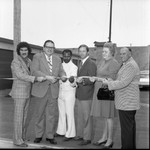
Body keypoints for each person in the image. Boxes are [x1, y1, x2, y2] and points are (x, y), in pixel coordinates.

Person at [102, 47, 140, 149]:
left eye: (124, 53)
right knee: (129, 130)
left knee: (127, 131)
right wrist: (111, 80)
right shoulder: (126, 64)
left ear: (130, 54)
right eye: (121, 54)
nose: (122, 55)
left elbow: (123, 83)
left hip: (127, 103)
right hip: (126, 102)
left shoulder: (130, 65)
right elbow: (122, 79)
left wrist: (108, 83)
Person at [31, 40, 66, 145]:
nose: (50, 49)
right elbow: (34, 71)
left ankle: (50, 136)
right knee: (39, 114)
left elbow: (61, 71)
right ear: (43, 48)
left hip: (53, 90)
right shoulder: (37, 57)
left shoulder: (57, 59)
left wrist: (63, 75)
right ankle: (38, 135)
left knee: (51, 115)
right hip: (41, 90)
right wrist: (47, 77)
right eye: (47, 47)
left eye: (52, 47)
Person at [10, 42, 45, 147]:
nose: (24, 52)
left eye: (25, 50)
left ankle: (22, 137)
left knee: (24, 117)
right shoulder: (16, 62)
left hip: (27, 92)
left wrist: (43, 76)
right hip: (19, 93)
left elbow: (34, 72)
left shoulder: (29, 61)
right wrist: (35, 79)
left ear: (28, 51)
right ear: (18, 51)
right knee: (18, 118)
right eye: (22, 50)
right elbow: (20, 75)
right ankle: (17, 140)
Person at [90, 42, 120, 149]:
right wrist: (95, 78)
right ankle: (104, 137)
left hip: (107, 92)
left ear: (111, 52)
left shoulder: (114, 63)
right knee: (105, 116)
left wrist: (97, 79)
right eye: (102, 51)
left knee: (109, 116)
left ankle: (110, 139)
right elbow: (100, 75)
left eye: (106, 52)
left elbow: (111, 80)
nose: (103, 53)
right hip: (100, 91)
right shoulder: (102, 62)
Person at [75, 44, 97, 145]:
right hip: (79, 94)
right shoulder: (81, 63)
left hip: (87, 95)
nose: (81, 53)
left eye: (83, 51)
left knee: (87, 118)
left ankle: (87, 138)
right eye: (80, 51)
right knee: (80, 117)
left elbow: (92, 79)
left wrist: (82, 81)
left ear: (88, 52)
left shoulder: (91, 63)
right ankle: (80, 135)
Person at [56, 49, 78, 141]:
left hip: (70, 92)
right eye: (64, 56)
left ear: (71, 56)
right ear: (62, 56)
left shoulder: (74, 67)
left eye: (68, 56)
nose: (66, 57)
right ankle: (61, 131)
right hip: (60, 92)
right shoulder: (59, 65)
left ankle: (70, 134)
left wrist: (71, 80)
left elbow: (74, 82)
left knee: (69, 113)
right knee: (61, 113)